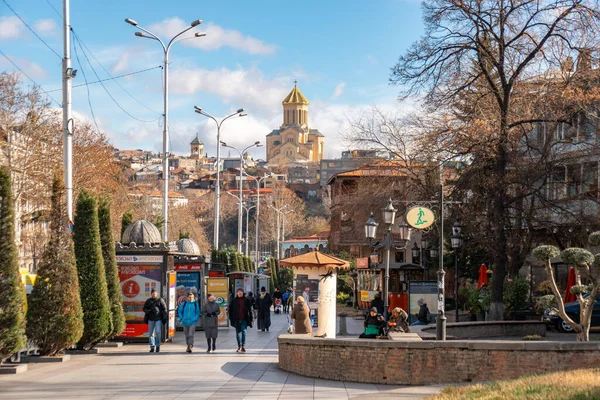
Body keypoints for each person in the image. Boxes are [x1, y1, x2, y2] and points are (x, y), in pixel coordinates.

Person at [228, 288, 253, 353]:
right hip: (236, 319)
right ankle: (239, 346)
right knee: (238, 333)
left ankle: (243, 346)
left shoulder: (246, 300)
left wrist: (251, 318)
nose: (239, 293)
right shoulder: (234, 301)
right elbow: (230, 310)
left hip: (244, 319)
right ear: (237, 293)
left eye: (241, 292)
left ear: (243, 292)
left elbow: (250, 310)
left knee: (244, 332)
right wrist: (231, 318)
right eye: (238, 292)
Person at [143, 288, 167, 353]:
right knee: (151, 333)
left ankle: (158, 346)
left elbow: (164, 308)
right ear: (151, 294)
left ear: (157, 294)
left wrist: (165, 316)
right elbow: (144, 309)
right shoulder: (148, 301)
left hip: (158, 319)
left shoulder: (160, 300)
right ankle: (152, 347)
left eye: (155, 294)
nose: (154, 295)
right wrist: (148, 311)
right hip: (151, 319)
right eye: (153, 294)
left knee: (158, 332)